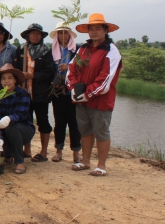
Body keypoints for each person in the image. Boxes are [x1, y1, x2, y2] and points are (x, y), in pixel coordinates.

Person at [66, 13, 122, 177]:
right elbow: (71, 70)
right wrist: (73, 89)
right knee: (85, 130)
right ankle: (85, 161)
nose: (94, 32)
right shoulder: (83, 49)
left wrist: (88, 94)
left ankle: (101, 165)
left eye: (98, 28)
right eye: (91, 29)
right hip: (81, 99)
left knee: (101, 131)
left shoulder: (111, 51)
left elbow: (105, 79)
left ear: (105, 30)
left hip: (100, 101)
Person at [13, 24, 54, 162]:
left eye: (38, 34)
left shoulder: (46, 51)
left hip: (40, 93)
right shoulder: (21, 50)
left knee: (43, 121)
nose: (35, 36)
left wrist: (33, 75)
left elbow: (50, 71)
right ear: (27, 35)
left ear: (41, 36)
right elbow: (15, 69)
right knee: (25, 120)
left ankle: (43, 152)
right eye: (32, 33)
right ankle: (27, 149)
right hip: (23, 93)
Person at [0, 64, 35, 175]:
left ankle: (19, 161)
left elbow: (21, 115)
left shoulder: (23, 94)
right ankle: (8, 154)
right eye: (3, 78)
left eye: (10, 78)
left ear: (15, 80)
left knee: (12, 128)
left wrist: (9, 118)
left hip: (24, 130)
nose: (6, 81)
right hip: (5, 132)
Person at [49, 22, 81, 163]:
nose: (63, 35)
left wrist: (69, 67)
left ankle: (76, 152)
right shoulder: (52, 51)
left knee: (74, 123)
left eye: (65, 32)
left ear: (70, 34)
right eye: (60, 33)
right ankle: (58, 151)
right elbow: (49, 69)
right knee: (59, 122)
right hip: (57, 91)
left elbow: (84, 68)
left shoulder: (78, 50)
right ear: (56, 35)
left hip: (72, 91)